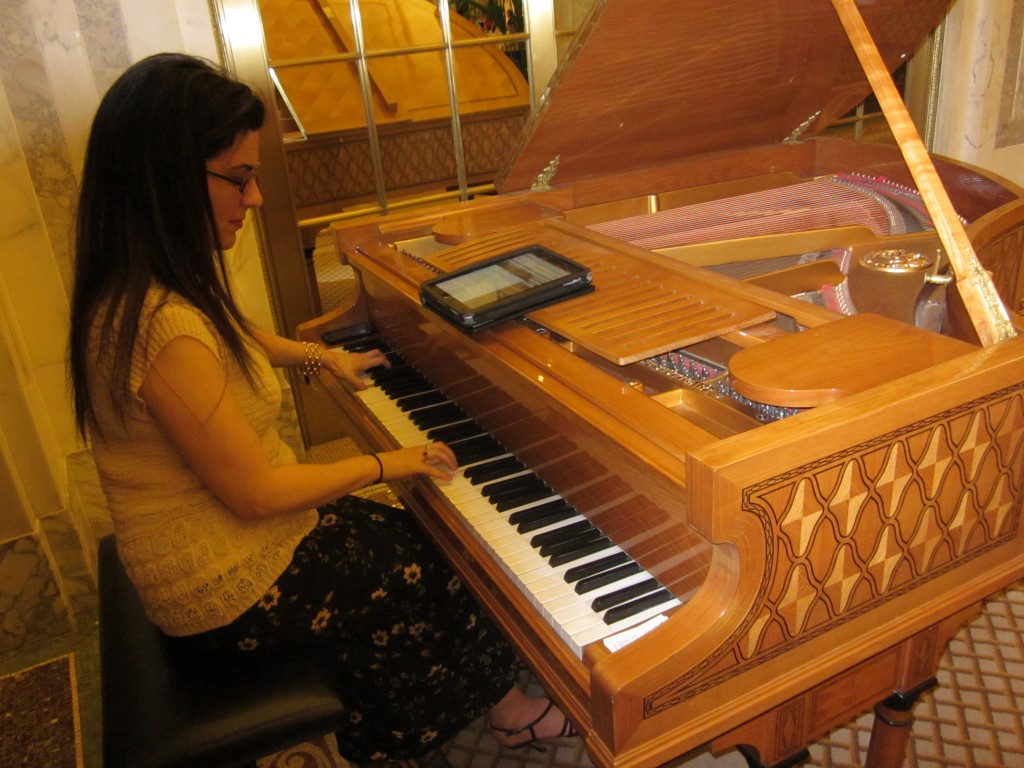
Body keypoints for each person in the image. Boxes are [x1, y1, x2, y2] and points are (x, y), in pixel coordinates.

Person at [68, 52, 575, 764]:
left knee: (432, 536)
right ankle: (457, 718)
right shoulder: (163, 324)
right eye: (239, 178)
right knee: (447, 551)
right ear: (168, 177)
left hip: (215, 551)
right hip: (221, 584)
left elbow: (236, 338)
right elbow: (257, 493)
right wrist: (388, 461)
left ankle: (450, 688)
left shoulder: (135, 288)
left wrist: (322, 357)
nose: (255, 199)